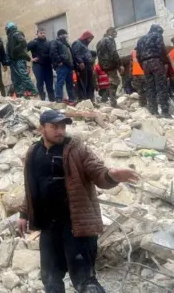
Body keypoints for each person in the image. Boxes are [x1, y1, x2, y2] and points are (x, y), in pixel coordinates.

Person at [18, 109, 139, 293]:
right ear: (42, 128)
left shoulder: (77, 149)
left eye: (63, 127)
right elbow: (31, 187)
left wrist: (112, 175)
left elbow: (98, 172)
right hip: (49, 227)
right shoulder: (34, 152)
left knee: (86, 282)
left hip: (77, 226)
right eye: (55, 127)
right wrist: (24, 214)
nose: (60, 131)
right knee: (50, 279)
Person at [136, 24, 170, 117]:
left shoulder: (140, 40)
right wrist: (166, 62)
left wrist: (142, 66)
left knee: (150, 88)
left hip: (145, 64)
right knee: (161, 86)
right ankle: (165, 112)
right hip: (156, 61)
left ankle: (153, 111)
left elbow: (138, 55)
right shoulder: (157, 35)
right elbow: (161, 50)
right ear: (157, 30)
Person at [5, 22, 37, 98]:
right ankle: (20, 94)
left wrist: (16, 50)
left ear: (9, 27)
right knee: (15, 79)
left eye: (6, 28)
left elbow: (23, 43)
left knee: (23, 75)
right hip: (13, 61)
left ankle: (32, 90)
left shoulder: (16, 34)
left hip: (19, 59)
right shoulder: (9, 38)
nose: (5, 30)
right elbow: (8, 51)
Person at [95, 28, 124, 107]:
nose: (116, 35)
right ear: (112, 33)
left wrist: (102, 65)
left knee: (112, 80)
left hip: (104, 65)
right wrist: (119, 65)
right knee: (116, 81)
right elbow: (114, 52)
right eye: (115, 33)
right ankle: (113, 102)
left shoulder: (99, 42)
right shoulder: (109, 40)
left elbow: (99, 55)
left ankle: (107, 98)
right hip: (111, 64)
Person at [27, 28, 55, 102]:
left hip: (48, 66)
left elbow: (53, 53)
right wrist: (30, 59)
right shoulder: (33, 42)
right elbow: (23, 50)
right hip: (38, 66)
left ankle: (52, 102)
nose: (42, 34)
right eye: (41, 33)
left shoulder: (49, 42)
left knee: (50, 85)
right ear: (37, 34)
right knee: (40, 84)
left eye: (44, 33)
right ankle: (42, 101)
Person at [50, 29, 76, 105]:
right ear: (61, 35)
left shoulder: (66, 43)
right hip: (62, 65)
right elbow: (53, 52)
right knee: (60, 82)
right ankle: (59, 98)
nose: (66, 36)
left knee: (70, 83)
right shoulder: (55, 42)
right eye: (65, 34)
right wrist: (59, 61)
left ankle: (72, 99)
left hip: (69, 66)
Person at [72, 31, 96, 102]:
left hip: (88, 65)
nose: (90, 40)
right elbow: (75, 53)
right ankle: (83, 99)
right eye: (89, 38)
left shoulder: (85, 45)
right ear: (85, 37)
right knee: (83, 83)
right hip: (82, 65)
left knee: (90, 82)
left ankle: (90, 99)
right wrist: (80, 62)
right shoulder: (77, 43)